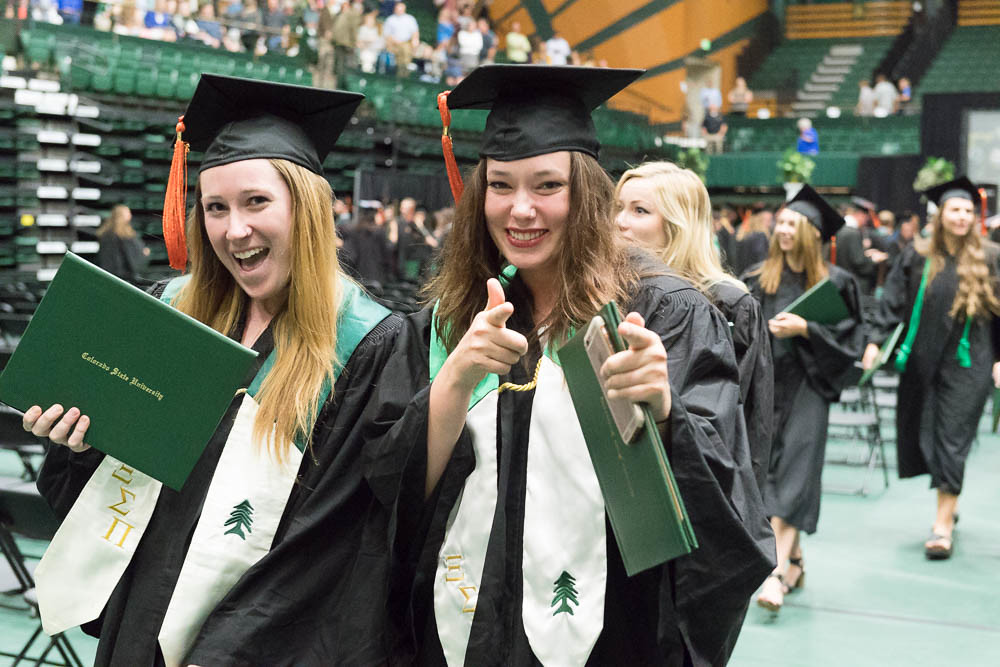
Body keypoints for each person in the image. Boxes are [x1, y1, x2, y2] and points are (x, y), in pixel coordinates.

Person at [374, 64, 774, 665]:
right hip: (460, 627)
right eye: (501, 185)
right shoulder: (454, 315)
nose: (520, 210)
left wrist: (664, 415)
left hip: (607, 631)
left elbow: (728, 504)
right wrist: (454, 380)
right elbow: (392, 500)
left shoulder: (665, 313)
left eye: (546, 186)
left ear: (585, 192)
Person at [24, 75, 403, 665]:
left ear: (305, 210)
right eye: (215, 208)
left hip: (262, 648)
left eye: (257, 202)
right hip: (140, 625)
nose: (235, 230)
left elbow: (333, 548)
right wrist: (79, 442)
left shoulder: (367, 345)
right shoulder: (172, 312)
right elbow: (105, 495)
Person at [614, 161, 774, 498]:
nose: (620, 222)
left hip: (697, 490)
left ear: (677, 225)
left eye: (639, 210)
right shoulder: (614, 293)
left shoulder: (730, 304)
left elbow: (745, 425)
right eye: (618, 208)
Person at [862, 177, 1000, 560]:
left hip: (970, 361)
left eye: (969, 212)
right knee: (927, 433)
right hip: (922, 360)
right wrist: (875, 340)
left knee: (953, 439)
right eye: (956, 210)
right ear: (941, 216)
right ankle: (948, 504)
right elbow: (891, 299)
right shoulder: (917, 255)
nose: (962, 217)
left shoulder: (989, 256)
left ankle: (942, 525)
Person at [744, 184, 865, 612]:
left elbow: (853, 341)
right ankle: (794, 561)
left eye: (795, 222)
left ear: (814, 232)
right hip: (763, 388)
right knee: (765, 474)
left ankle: (774, 575)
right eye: (783, 220)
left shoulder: (837, 284)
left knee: (795, 473)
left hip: (811, 387)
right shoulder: (757, 279)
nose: (784, 228)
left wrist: (807, 330)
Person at [94, 204, 149, 285]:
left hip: (107, 274)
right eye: (128, 213)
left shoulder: (106, 233)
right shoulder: (123, 235)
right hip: (122, 275)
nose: (130, 215)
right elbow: (129, 257)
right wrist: (143, 252)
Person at [383, 1, 420, 77]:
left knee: (406, 50)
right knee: (403, 51)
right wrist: (395, 42)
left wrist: (415, 41)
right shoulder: (390, 20)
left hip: (407, 43)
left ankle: (403, 74)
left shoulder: (410, 19)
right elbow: (386, 35)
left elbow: (415, 33)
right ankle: (401, 73)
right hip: (394, 43)